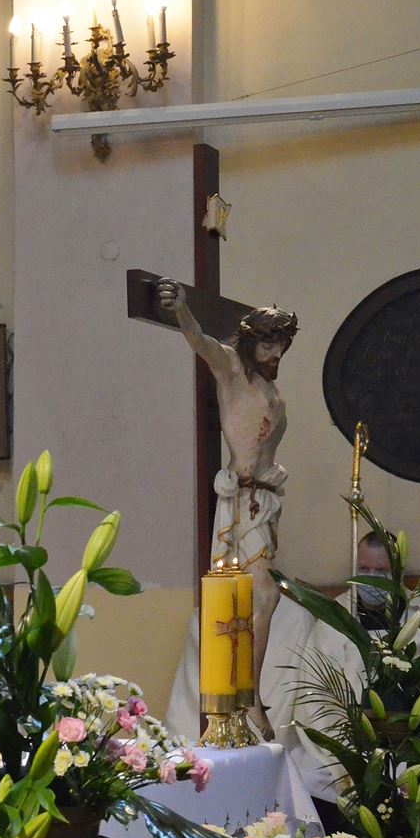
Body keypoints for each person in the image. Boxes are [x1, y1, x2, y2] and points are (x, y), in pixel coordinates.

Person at [158, 277, 299, 739]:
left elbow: (266, 452)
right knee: (260, 597)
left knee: (262, 598)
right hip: (241, 501)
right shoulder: (232, 373)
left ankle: (244, 695)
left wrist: (276, 473)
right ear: (253, 341)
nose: (277, 354)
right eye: (270, 345)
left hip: (264, 501)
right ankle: (247, 699)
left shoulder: (272, 392)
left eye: (282, 346)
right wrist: (181, 308)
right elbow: (200, 341)